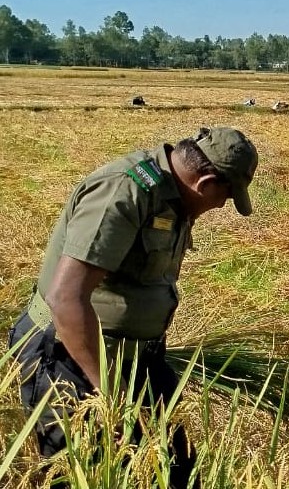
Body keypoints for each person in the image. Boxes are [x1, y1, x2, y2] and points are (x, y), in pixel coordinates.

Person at [7, 127, 259, 489]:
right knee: (83, 473)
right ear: (205, 183)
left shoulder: (173, 197)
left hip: (136, 357)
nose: (222, 207)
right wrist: (111, 397)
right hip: (68, 357)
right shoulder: (124, 192)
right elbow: (66, 299)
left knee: (174, 469)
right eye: (226, 197)